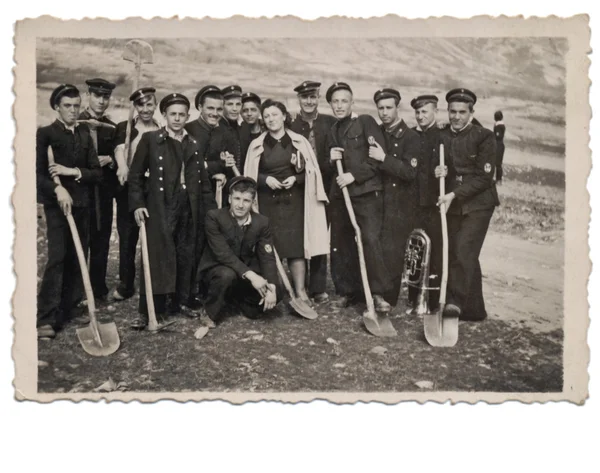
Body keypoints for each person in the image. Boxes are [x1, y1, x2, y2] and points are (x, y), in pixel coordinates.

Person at [128, 93, 217, 328]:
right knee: (158, 254)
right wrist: (138, 204)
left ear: (188, 116)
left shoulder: (193, 143)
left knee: (186, 252)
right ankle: (150, 310)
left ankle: (181, 301)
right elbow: (135, 176)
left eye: (182, 114)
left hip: (189, 205)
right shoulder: (150, 139)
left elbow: (203, 182)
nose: (177, 119)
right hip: (161, 205)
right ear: (164, 115)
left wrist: (210, 212)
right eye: (173, 114)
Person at [244, 99, 329, 306]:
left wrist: (296, 179)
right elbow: (251, 174)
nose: (271, 119)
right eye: (266, 116)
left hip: (294, 202)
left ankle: (300, 291)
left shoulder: (299, 142)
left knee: (295, 247)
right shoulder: (257, 145)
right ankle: (275, 289)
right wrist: (266, 180)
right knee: (269, 247)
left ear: (284, 116)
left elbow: (311, 173)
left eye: (275, 114)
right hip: (267, 202)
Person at [36, 84, 102, 338]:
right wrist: (57, 189)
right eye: (67, 106)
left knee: (78, 256)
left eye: (76, 106)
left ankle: (69, 307)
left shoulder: (85, 133)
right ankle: (46, 317)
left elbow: (96, 173)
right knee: (58, 257)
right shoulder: (46, 134)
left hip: (82, 204)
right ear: (56, 107)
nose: (73, 111)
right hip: (58, 207)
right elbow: (38, 175)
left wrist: (72, 173)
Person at [325, 82, 392, 312]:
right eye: (335, 101)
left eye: (344, 101)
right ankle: (346, 292)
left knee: (370, 240)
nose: (339, 105)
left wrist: (354, 176)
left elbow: (376, 160)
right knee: (341, 243)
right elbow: (331, 166)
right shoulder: (333, 129)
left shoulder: (365, 122)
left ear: (352, 102)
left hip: (366, 194)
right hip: (342, 196)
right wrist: (330, 158)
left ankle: (377, 294)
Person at [437, 88, 500, 321]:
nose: (456, 117)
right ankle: (474, 310)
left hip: (479, 204)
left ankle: (454, 303)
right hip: (454, 202)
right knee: (462, 252)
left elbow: (484, 178)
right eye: (452, 111)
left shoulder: (484, 137)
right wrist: (439, 171)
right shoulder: (442, 135)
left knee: (464, 250)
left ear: (471, 113)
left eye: (462, 112)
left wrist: (453, 194)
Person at [198, 176, 282, 327]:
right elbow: (223, 254)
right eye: (237, 199)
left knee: (276, 292)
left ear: (253, 202)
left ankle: (236, 302)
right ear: (229, 199)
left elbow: (267, 257)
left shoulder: (262, 222)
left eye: (246, 200)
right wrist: (252, 276)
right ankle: (209, 311)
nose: (240, 205)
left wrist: (272, 287)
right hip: (217, 270)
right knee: (226, 275)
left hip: (242, 274)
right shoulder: (214, 217)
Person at [370, 88, 420, 307]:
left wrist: (384, 159)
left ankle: (388, 298)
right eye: (380, 108)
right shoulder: (377, 133)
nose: (384, 112)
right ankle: (375, 293)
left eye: (388, 107)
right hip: (377, 200)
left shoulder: (411, 137)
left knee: (392, 251)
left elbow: (410, 172)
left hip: (399, 203)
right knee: (376, 247)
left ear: (397, 108)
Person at [112, 87, 161, 301]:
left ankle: (152, 283)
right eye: (141, 105)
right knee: (127, 236)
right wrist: (122, 166)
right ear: (135, 107)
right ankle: (126, 283)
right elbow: (118, 149)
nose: (145, 109)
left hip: (153, 190)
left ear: (155, 105)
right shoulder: (126, 128)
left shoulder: (161, 128)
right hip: (130, 189)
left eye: (150, 104)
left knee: (153, 236)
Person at [290, 80, 336, 304]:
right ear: (298, 99)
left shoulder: (330, 122)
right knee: (299, 233)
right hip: (298, 187)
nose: (309, 101)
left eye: (313, 97)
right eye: (304, 97)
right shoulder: (290, 123)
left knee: (319, 232)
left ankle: (318, 287)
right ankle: (299, 285)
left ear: (318, 98)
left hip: (324, 186)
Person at [78, 77, 117, 302]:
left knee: (102, 237)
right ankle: (80, 289)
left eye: (106, 97)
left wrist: (110, 159)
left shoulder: (110, 127)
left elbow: (117, 154)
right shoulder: (78, 123)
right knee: (83, 237)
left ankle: (98, 286)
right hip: (81, 190)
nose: (101, 101)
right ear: (88, 96)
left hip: (103, 191)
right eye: (97, 96)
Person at [407, 94, 446, 313]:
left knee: (435, 253)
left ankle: (432, 301)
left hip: (433, 203)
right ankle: (414, 299)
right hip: (413, 203)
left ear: (435, 112)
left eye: (425, 112)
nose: (421, 116)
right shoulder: (412, 136)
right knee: (414, 253)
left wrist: (445, 172)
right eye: (418, 112)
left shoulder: (442, 137)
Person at [185, 85, 237, 202]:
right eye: (210, 108)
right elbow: (189, 165)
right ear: (200, 107)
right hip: (192, 194)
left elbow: (230, 166)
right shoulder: (188, 130)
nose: (215, 113)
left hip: (218, 195)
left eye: (219, 109)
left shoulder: (227, 133)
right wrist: (218, 165)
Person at [219, 85, 244, 169]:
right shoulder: (216, 128)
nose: (235, 109)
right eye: (230, 104)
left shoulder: (242, 126)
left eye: (238, 104)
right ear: (222, 106)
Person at [239, 92, 264, 163]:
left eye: (253, 110)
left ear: (259, 111)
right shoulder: (238, 133)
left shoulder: (267, 130)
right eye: (245, 110)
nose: (249, 114)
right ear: (240, 113)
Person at [493, 110, 506, 184]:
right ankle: (499, 179)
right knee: (498, 163)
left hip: (498, 145)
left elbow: (497, 136)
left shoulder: (498, 126)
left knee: (497, 163)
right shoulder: (501, 125)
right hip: (500, 144)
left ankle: (498, 180)